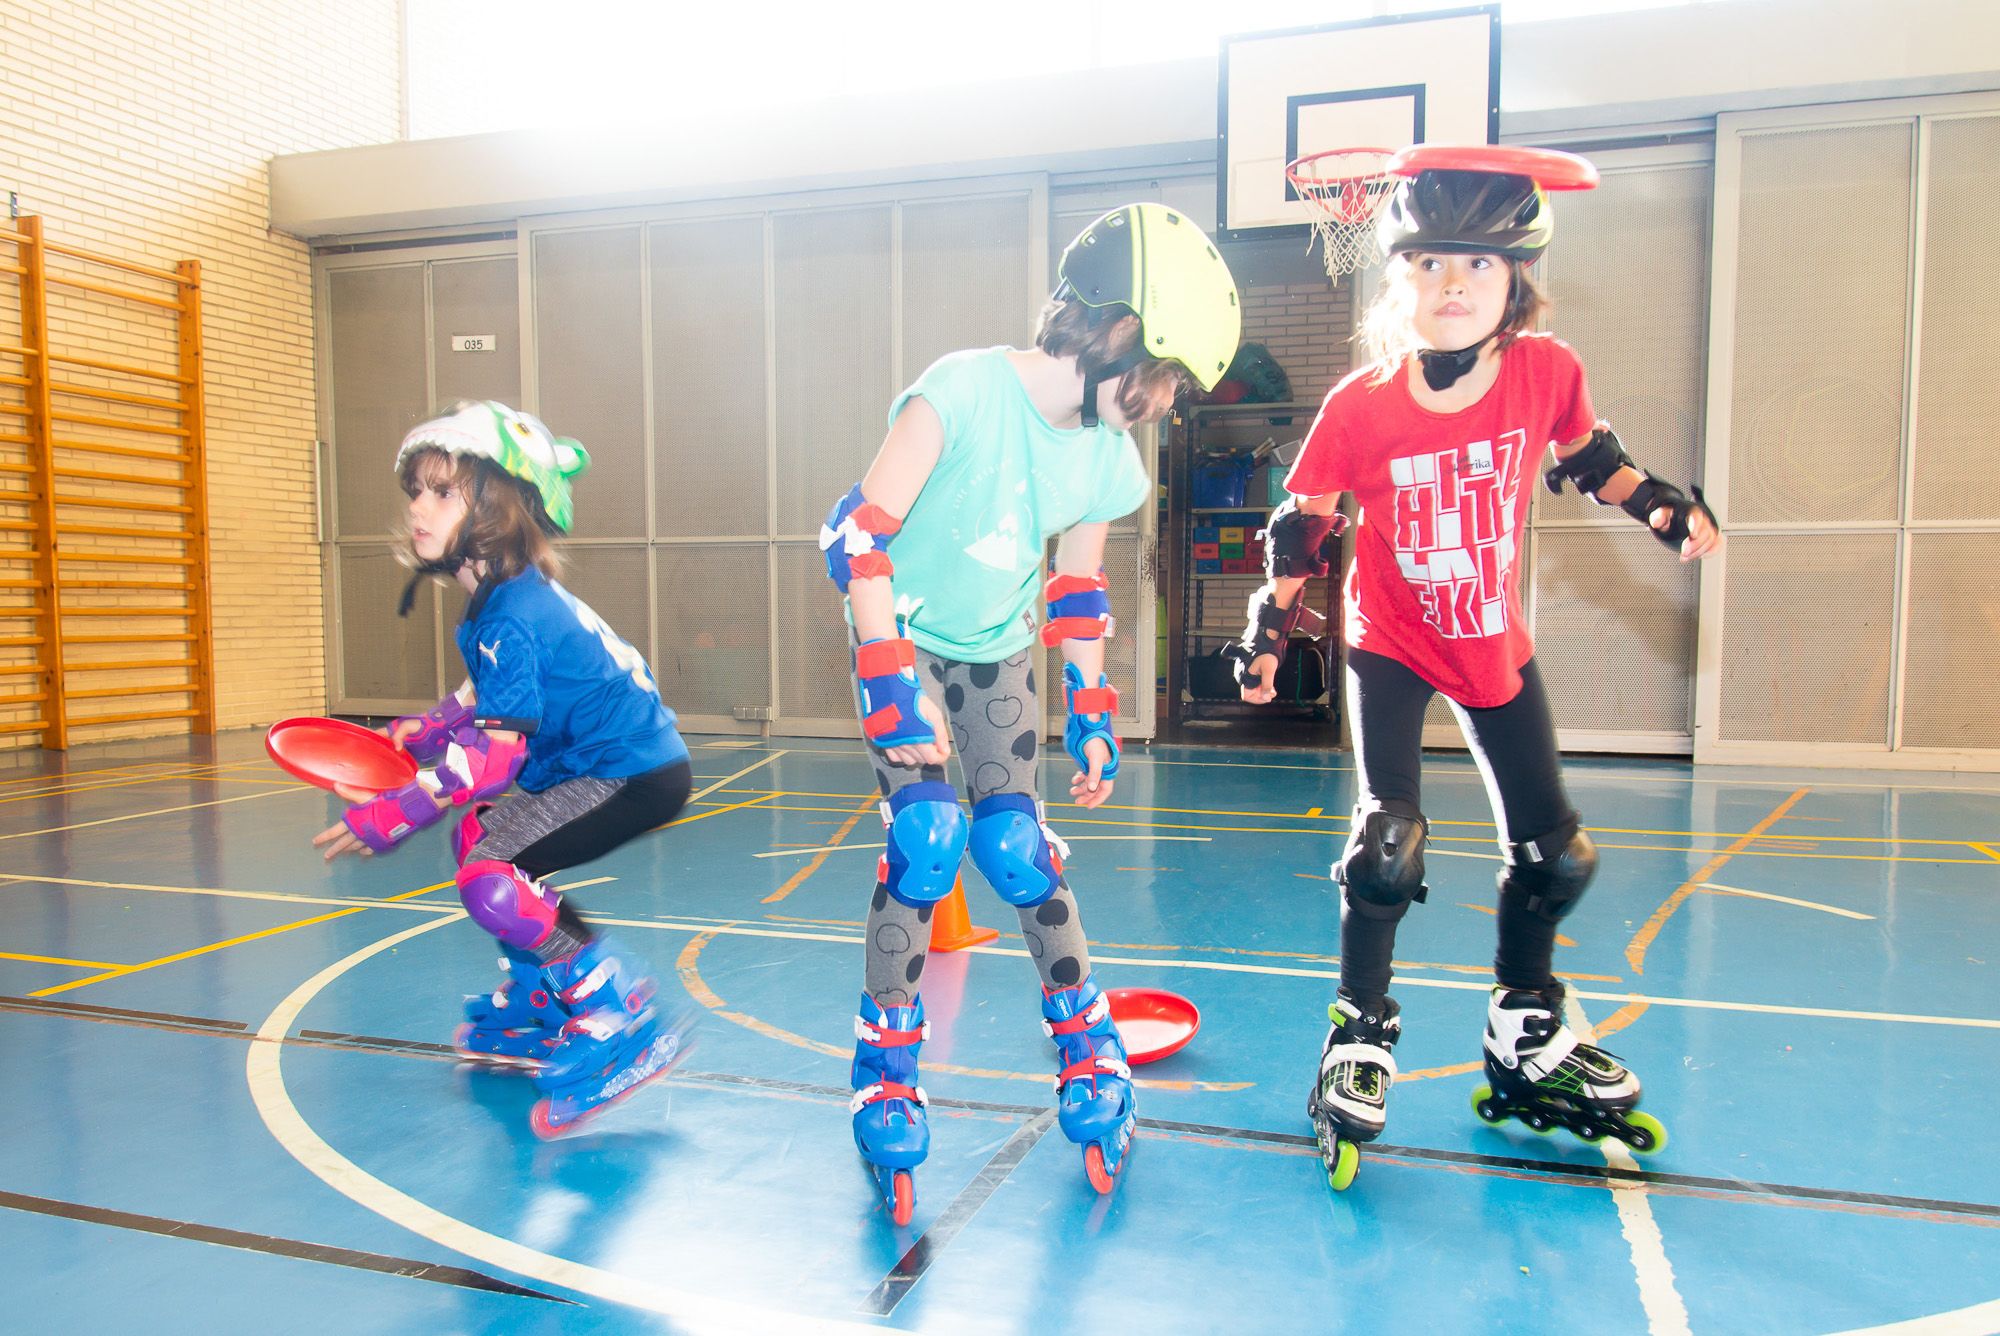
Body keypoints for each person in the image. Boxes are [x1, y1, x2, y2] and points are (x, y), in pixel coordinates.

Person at [1233, 153, 1720, 1188]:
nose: (1451, 285)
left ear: (1515, 281)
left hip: (1490, 639)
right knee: (1388, 842)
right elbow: (1301, 531)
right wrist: (1268, 636)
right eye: (1428, 264)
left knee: (1557, 857)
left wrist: (1658, 506)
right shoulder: (1361, 405)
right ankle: (1358, 1030)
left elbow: (1591, 459)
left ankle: (1522, 1025)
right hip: (1391, 641)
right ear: (1396, 280)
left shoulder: (1546, 373)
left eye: (1477, 265)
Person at [820, 203, 1240, 1222]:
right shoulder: (960, 393)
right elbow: (856, 538)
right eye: (1167, 375)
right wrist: (887, 680)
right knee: (926, 838)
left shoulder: (1105, 455)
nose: (1166, 402)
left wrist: (1091, 705)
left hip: (997, 651)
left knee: (1015, 848)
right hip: (903, 638)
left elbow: (1077, 589)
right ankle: (885, 1067)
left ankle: (1090, 1045)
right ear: (1119, 331)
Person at [311, 400, 696, 1139]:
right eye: (416, 491)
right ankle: (541, 993)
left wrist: (395, 812)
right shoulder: (504, 603)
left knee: (491, 872)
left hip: (629, 772)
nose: (418, 507)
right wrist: (408, 741)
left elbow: (492, 759)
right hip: (616, 762)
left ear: (497, 509)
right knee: (481, 842)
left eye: (442, 492)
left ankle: (613, 1013)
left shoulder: (511, 615)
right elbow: (478, 701)